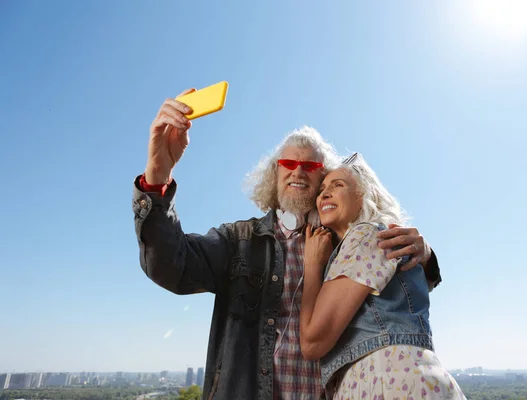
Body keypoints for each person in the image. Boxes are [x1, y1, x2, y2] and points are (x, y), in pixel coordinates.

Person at [132, 89, 443, 399]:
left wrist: (425, 255)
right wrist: (157, 176)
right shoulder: (238, 241)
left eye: (310, 167)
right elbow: (171, 266)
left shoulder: (348, 245)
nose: (298, 170)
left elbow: (397, 302)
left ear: (324, 181)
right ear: (274, 174)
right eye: (289, 162)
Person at [300, 153, 465, 399]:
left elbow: (312, 342)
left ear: (364, 194)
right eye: (322, 189)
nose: (324, 194)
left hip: (384, 381)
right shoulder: (375, 241)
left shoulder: (364, 236)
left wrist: (312, 265)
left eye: (338, 185)